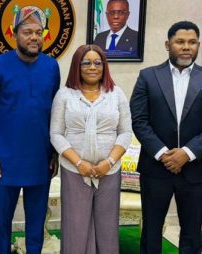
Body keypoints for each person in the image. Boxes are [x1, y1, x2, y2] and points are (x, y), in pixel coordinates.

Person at [130, 21, 202, 254]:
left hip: (196, 169)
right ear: (168, 45)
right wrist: (164, 154)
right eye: (180, 42)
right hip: (156, 168)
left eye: (192, 42)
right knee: (151, 230)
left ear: (198, 45)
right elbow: (139, 120)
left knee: (192, 233)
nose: (186, 47)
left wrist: (187, 153)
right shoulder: (148, 76)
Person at [0, 6, 61, 254]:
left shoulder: (51, 67)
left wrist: (54, 153)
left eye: (38, 32)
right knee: (3, 222)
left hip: (40, 159)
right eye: (27, 32)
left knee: (36, 223)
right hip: (5, 160)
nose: (34, 37)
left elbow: (56, 113)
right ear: (14, 34)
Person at [50, 44, 132, 254]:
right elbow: (56, 134)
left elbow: (125, 132)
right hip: (74, 170)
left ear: (104, 66)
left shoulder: (116, 94)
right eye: (86, 63)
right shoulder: (64, 94)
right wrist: (79, 163)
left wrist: (109, 162)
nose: (93, 67)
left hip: (109, 171)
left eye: (98, 63)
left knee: (107, 227)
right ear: (77, 66)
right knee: (75, 227)